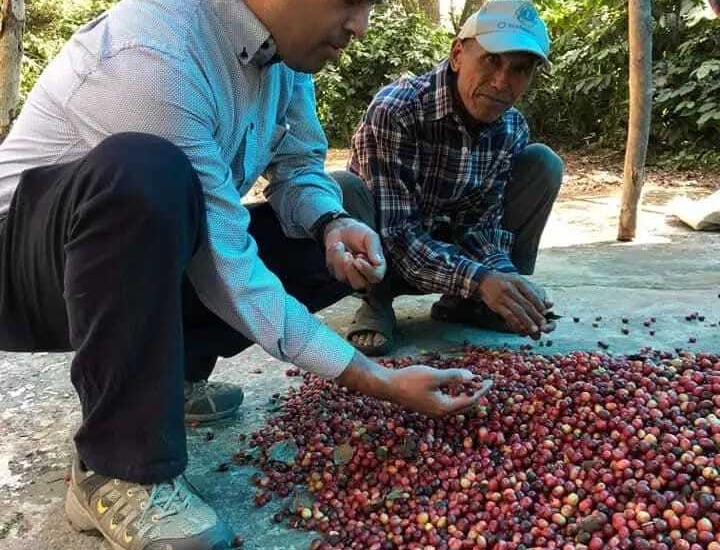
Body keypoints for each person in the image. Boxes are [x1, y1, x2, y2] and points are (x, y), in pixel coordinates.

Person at [0, 0, 491, 547]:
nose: (360, 26)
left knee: (345, 199)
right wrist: (373, 379)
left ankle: (168, 382)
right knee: (147, 173)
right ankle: (117, 463)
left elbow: (300, 167)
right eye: (351, 1)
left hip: (141, 250)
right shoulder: (154, 51)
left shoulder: (282, 55)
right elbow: (225, 263)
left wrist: (331, 224)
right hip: (22, 273)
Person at [345, 0, 564, 356]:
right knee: (344, 190)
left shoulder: (511, 128)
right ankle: (376, 299)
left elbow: (481, 225)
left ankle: (472, 302)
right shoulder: (397, 109)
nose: (501, 82)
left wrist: (504, 280)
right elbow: (397, 234)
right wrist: (480, 280)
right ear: (458, 54)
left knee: (542, 163)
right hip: (390, 251)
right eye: (492, 60)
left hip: (449, 252)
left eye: (520, 69)